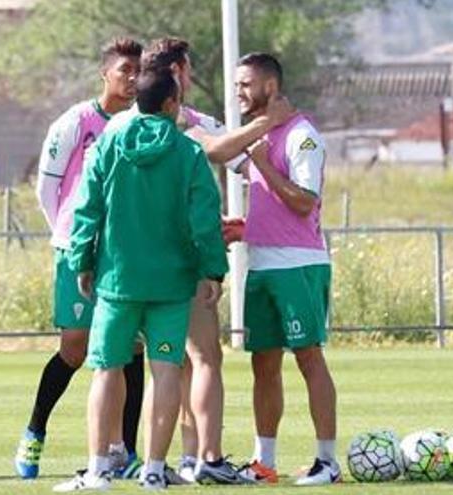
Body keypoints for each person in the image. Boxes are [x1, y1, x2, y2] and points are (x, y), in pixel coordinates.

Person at [53, 67, 228, 492]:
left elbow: (87, 206)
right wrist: (213, 269)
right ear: (170, 104)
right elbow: (204, 217)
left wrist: (82, 261)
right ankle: (154, 469)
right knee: (166, 369)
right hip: (172, 283)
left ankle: (98, 470)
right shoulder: (188, 152)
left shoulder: (109, 140)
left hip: (117, 280)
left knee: (106, 370)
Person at [140, 37, 293, 485]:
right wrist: (269, 121)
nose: (191, 77)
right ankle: (207, 457)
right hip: (182, 257)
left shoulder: (127, 127)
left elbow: (236, 156)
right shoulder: (175, 117)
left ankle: (161, 462)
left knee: (166, 363)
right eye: (187, 70)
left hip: (137, 262)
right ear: (177, 73)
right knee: (205, 358)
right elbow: (218, 151)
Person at [16, 37, 145, 480]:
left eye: (137, 71)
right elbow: (47, 188)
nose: (132, 78)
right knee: (74, 347)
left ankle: (124, 452)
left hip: (124, 254)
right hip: (77, 248)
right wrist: (68, 236)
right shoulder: (76, 121)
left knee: (130, 348)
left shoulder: (140, 122)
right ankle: (35, 429)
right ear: (105, 73)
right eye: (125, 70)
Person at [228, 53, 340, 486]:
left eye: (245, 84)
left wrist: (260, 163)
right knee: (263, 364)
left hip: (299, 266)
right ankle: (264, 461)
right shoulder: (260, 134)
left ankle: (327, 462)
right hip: (261, 266)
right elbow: (274, 206)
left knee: (309, 358)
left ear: (270, 88)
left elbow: (303, 201)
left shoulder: (302, 136)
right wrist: (245, 227)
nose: (238, 92)